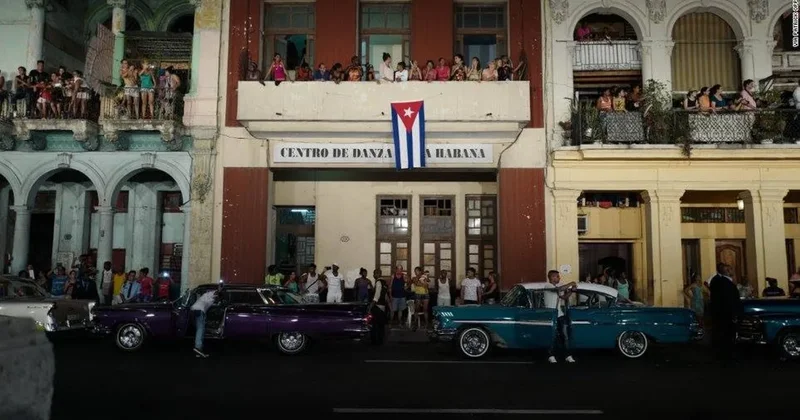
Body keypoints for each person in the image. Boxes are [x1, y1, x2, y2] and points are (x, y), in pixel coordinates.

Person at [708, 263, 743, 363]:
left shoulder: (718, 281)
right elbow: (730, 300)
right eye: (730, 269)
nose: (732, 270)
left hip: (720, 314)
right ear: (726, 271)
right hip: (726, 314)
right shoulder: (725, 283)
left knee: (721, 334)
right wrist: (734, 314)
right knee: (727, 335)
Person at [544, 270, 577, 363]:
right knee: (552, 336)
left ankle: (567, 355)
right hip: (551, 315)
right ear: (552, 277)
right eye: (557, 276)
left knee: (564, 336)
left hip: (559, 314)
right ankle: (551, 355)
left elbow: (564, 297)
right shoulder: (548, 286)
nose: (559, 278)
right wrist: (572, 283)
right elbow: (559, 289)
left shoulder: (558, 287)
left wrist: (571, 291)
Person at [191, 284, 221, 358]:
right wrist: (220, 289)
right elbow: (217, 292)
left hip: (196, 310)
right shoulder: (212, 294)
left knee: (201, 328)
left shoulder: (208, 295)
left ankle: (199, 351)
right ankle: (197, 347)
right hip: (199, 310)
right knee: (200, 329)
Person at [369, 269, 389, 345]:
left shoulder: (378, 282)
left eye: (374, 273)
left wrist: (371, 306)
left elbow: (376, 296)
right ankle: (380, 341)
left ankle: (374, 342)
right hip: (383, 306)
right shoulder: (385, 283)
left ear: (378, 274)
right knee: (381, 326)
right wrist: (389, 305)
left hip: (377, 306)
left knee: (374, 325)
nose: (374, 275)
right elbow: (386, 296)